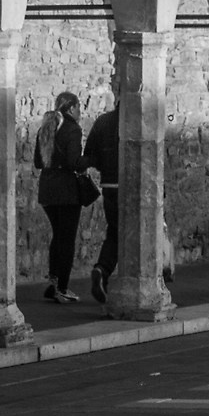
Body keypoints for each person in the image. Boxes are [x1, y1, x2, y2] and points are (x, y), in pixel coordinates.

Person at [33, 92, 88, 302]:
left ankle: (54, 281)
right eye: (79, 107)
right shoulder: (73, 129)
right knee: (66, 240)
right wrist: (89, 160)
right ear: (72, 107)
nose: (80, 112)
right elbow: (75, 162)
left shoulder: (45, 128)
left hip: (47, 189)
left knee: (57, 236)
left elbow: (39, 162)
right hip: (66, 191)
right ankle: (62, 287)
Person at [83, 105, 120, 303]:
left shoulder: (103, 121)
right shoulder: (141, 118)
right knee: (138, 233)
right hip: (133, 185)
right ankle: (108, 272)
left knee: (114, 232)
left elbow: (90, 154)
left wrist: (105, 166)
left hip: (109, 185)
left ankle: (102, 270)